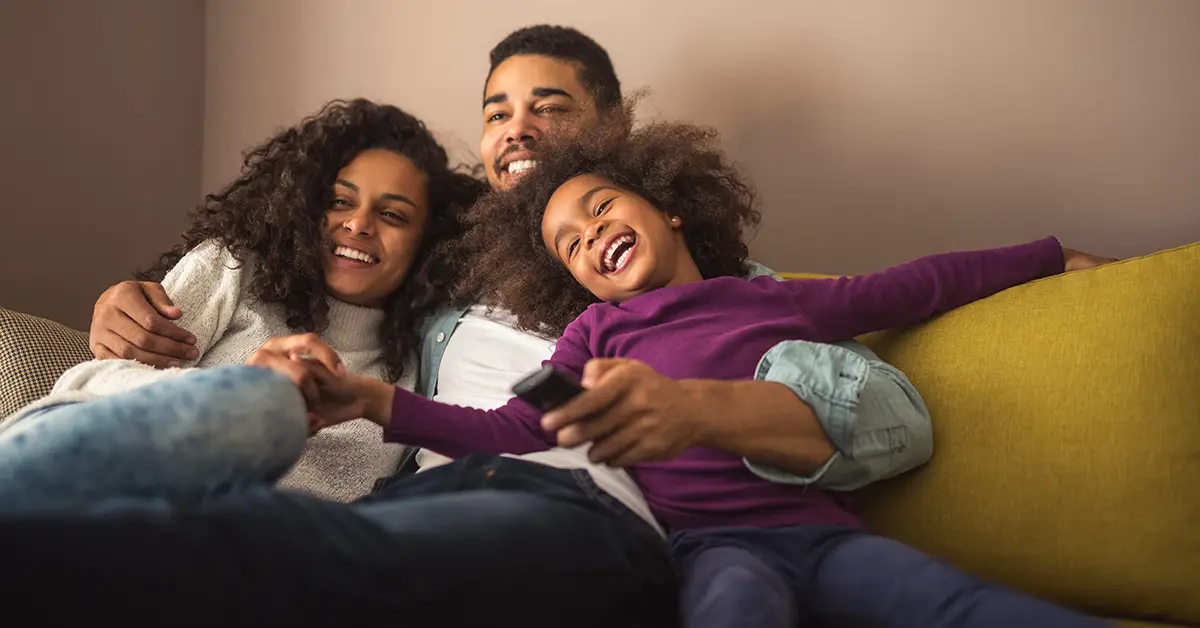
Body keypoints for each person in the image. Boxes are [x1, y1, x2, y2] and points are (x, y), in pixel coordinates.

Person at [5, 26, 932, 625]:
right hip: (425, 495)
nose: (516, 129)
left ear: (610, 131)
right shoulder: (437, 277)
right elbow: (306, 266)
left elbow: (894, 422)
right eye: (497, 113)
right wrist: (130, 293)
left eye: (549, 108)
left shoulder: (702, 285)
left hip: (579, 515)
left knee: (320, 559)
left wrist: (692, 407)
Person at [304, 111, 1112, 627]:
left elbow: (918, 284)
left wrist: (1051, 256)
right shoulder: (592, 335)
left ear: (669, 205)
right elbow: (511, 428)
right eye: (568, 245)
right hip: (712, 549)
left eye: (599, 209)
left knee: (963, 605)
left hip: (825, 537)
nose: (590, 236)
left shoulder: (767, 300)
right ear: (570, 280)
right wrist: (376, 400)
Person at [0, 98, 486, 509]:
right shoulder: (237, 267)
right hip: (96, 473)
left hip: (239, 550)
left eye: (391, 215)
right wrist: (247, 394)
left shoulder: (417, 363)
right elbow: (90, 383)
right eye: (339, 201)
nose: (358, 224)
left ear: (428, 242)